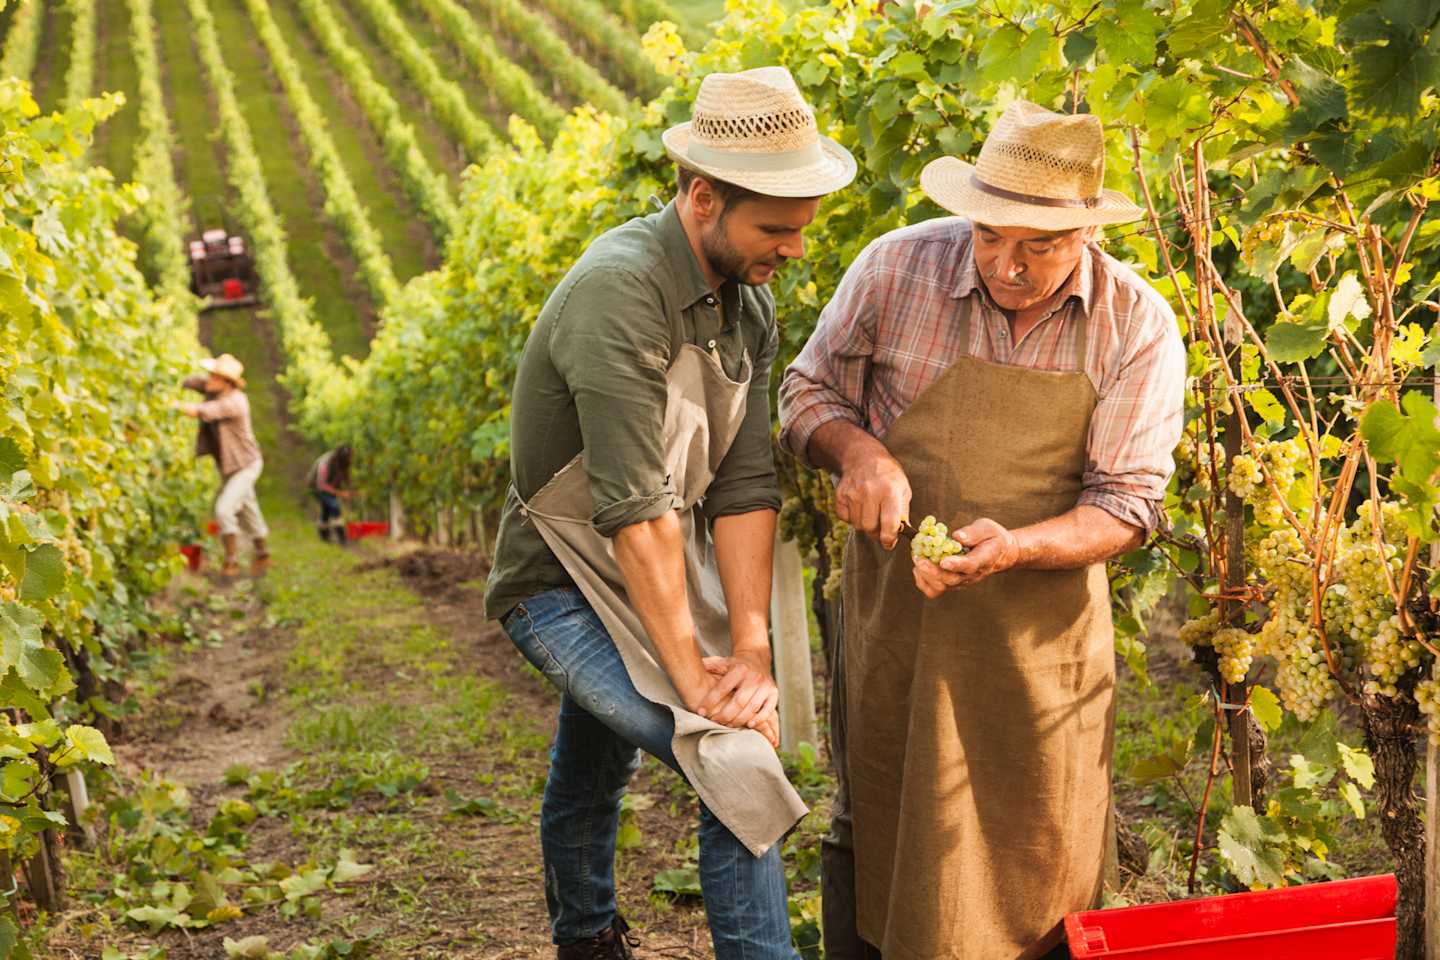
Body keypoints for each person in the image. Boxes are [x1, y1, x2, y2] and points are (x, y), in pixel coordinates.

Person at [778, 101, 1186, 960]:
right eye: (991, 235)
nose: (1008, 264)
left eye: (1039, 244)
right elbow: (806, 394)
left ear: (1085, 229)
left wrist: (1021, 547)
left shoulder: (1135, 325)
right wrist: (859, 455)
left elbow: (1128, 503)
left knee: (1035, 839)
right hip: (900, 624)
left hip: (1040, 649)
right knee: (886, 815)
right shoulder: (895, 271)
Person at [484, 67, 856, 960]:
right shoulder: (620, 291)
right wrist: (700, 685)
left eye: (801, 231)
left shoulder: (749, 304)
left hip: (654, 571)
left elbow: (742, 488)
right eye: (776, 229)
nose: (794, 250)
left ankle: (583, 936)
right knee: (732, 757)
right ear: (701, 198)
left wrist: (754, 649)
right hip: (563, 582)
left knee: (596, 759)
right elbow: (636, 507)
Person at [179, 353, 270, 578]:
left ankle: (231, 563)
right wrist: (178, 379)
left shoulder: (235, 402)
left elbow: (204, 411)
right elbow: (195, 382)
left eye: (214, 376)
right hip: (230, 466)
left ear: (226, 382)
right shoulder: (214, 389)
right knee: (250, 509)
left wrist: (175, 405)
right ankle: (263, 556)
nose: (209, 379)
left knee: (224, 509)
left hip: (246, 464)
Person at [307, 444, 353, 544]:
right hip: (316, 487)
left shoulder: (343, 462)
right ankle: (342, 538)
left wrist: (349, 491)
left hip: (329, 486)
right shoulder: (325, 463)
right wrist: (340, 493)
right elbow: (321, 485)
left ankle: (324, 536)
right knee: (334, 506)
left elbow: (345, 477)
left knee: (326, 509)